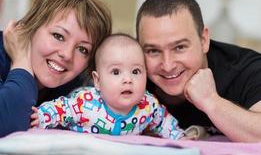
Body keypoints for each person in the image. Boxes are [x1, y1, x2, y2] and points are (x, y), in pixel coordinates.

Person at [136, 0, 261, 154]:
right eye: (153, 51)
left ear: (204, 40)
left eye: (179, 47)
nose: (168, 65)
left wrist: (211, 102)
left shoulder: (244, 67)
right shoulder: (129, 73)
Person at [0, 0, 112, 137]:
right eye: (58, 36)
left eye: (82, 49)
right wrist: (21, 61)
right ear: (30, 27)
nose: (67, 55)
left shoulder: (77, 87)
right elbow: (7, 122)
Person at [31, 33, 185, 140]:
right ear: (97, 81)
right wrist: (42, 116)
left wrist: (179, 136)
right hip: (80, 95)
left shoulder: (148, 105)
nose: (128, 79)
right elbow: (62, 108)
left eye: (136, 71)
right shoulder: (84, 104)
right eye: (116, 72)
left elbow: (163, 121)